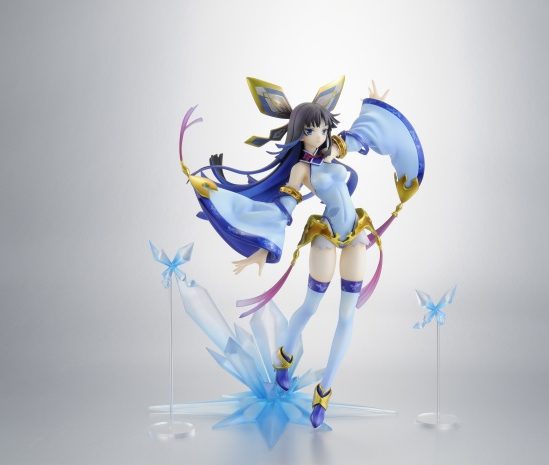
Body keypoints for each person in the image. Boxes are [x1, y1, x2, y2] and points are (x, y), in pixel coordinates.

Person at [179, 76, 424, 427]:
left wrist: (375, 110)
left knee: (347, 315)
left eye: (323, 127)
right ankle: (285, 356)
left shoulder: (336, 148)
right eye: (311, 130)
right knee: (311, 306)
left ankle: (324, 393)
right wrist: (262, 249)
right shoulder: (301, 169)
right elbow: (284, 209)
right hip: (325, 236)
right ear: (299, 133)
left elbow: (364, 134)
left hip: (355, 234)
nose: (319, 135)